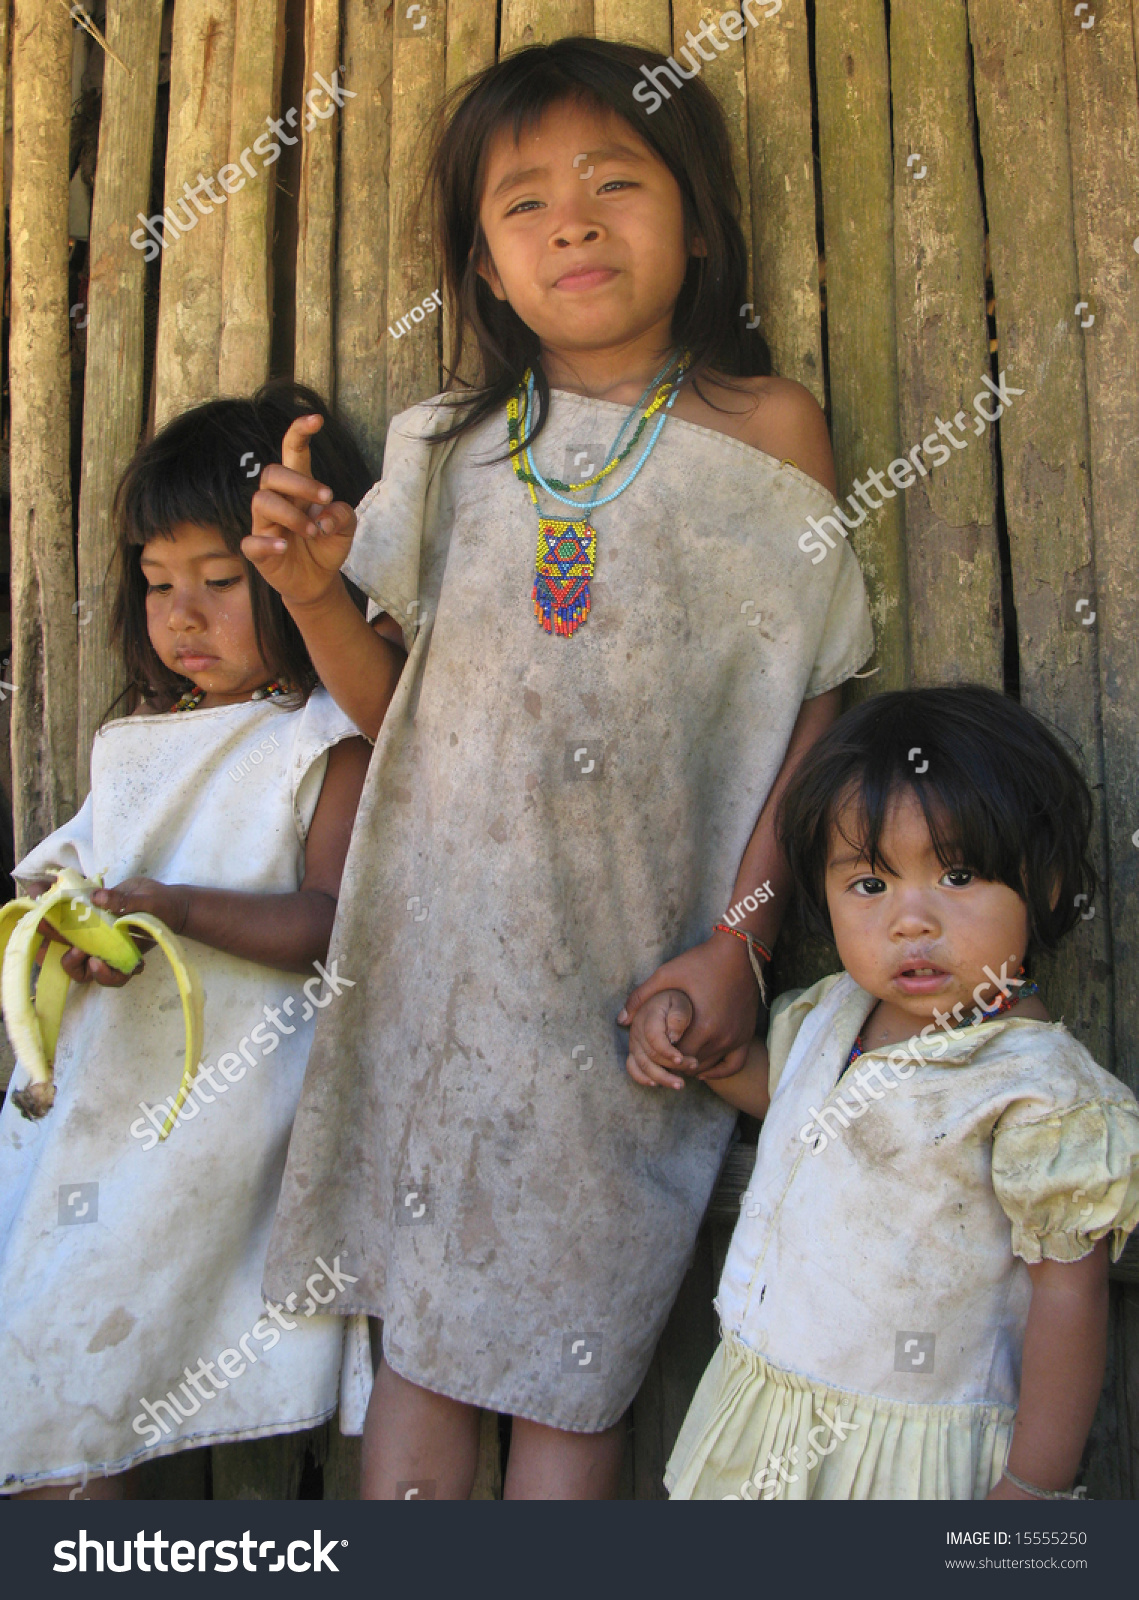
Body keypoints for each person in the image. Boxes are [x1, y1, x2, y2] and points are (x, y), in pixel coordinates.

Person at [244, 37, 874, 1499]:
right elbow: (384, 708)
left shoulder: (766, 432)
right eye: (523, 204)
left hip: (629, 973)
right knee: (422, 1337)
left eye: (614, 183)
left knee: (574, 1355)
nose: (572, 223)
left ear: (697, 219)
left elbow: (816, 714)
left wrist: (737, 941)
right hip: (438, 967)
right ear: (480, 262)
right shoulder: (445, 444)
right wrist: (319, 594)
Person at [0, 381, 375, 1498]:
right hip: (90, 1110)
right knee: (60, 1344)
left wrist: (176, 907)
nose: (181, 615)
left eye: (219, 582)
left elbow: (327, 920)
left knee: (116, 1356)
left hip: (217, 1124)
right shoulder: (141, 740)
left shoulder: (327, 739)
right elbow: (68, 874)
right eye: (158, 584)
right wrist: (65, 927)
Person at [629, 686, 1139, 1500]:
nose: (910, 920)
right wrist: (699, 1049)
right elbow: (792, 1099)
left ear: (1042, 884)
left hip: (906, 1449)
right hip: (766, 1407)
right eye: (869, 886)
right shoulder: (838, 1012)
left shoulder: (1037, 1095)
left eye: (958, 874)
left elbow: (1070, 1298)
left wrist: (1032, 1489)